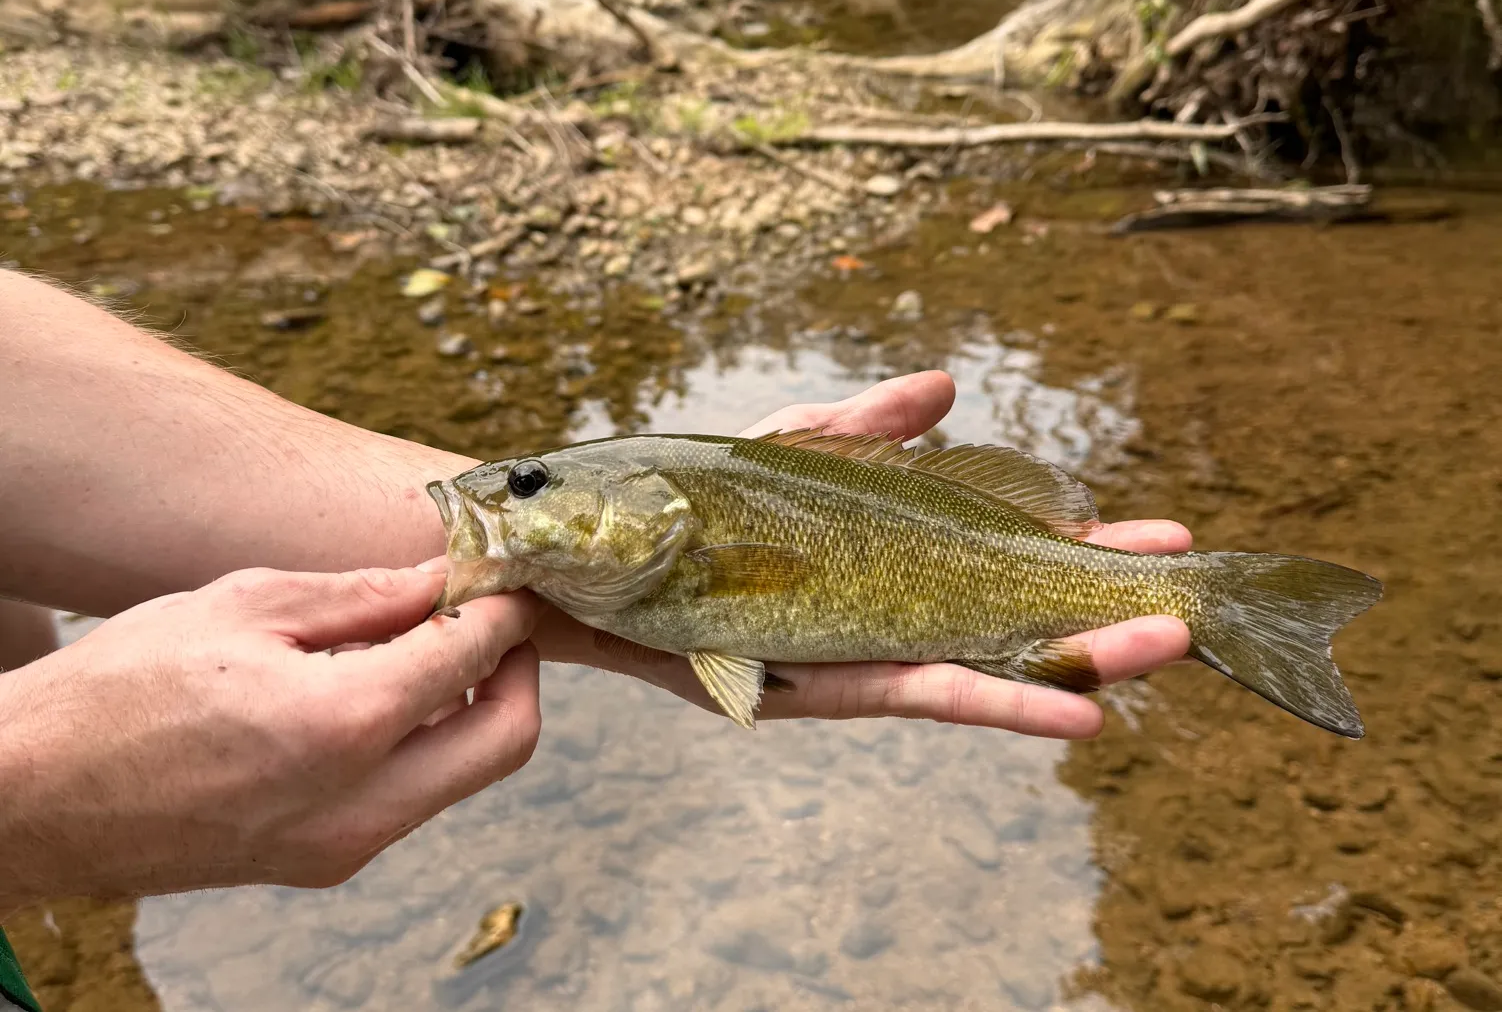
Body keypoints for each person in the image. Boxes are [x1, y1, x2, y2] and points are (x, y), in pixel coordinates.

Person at [0, 267, 1191, 925]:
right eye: (520, 484)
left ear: (658, 517)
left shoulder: (661, 537)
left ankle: (1205, 602)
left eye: (526, 484)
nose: (480, 495)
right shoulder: (646, 538)